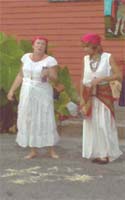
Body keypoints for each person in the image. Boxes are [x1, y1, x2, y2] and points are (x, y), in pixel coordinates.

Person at [7, 35, 60, 159]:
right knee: (29, 117)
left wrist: (48, 74)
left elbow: (55, 79)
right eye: (38, 43)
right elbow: (20, 75)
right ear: (33, 45)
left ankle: (51, 149)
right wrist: (11, 91)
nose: (40, 46)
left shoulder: (50, 60)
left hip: (42, 91)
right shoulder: (25, 57)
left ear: (45, 47)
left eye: (43, 44)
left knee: (45, 117)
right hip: (27, 90)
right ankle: (33, 150)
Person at [80, 33, 122, 164]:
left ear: (95, 47)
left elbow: (118, 75)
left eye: (87, 47)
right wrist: (82, 99)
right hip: (89, 95)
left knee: (104, 123)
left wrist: (103, 78)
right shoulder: (85, 59)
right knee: (92, 123)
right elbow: (82, 79)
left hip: (103, 94)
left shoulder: (108, 57)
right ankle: (95, 152)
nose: (84, 50)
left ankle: (106, 154)